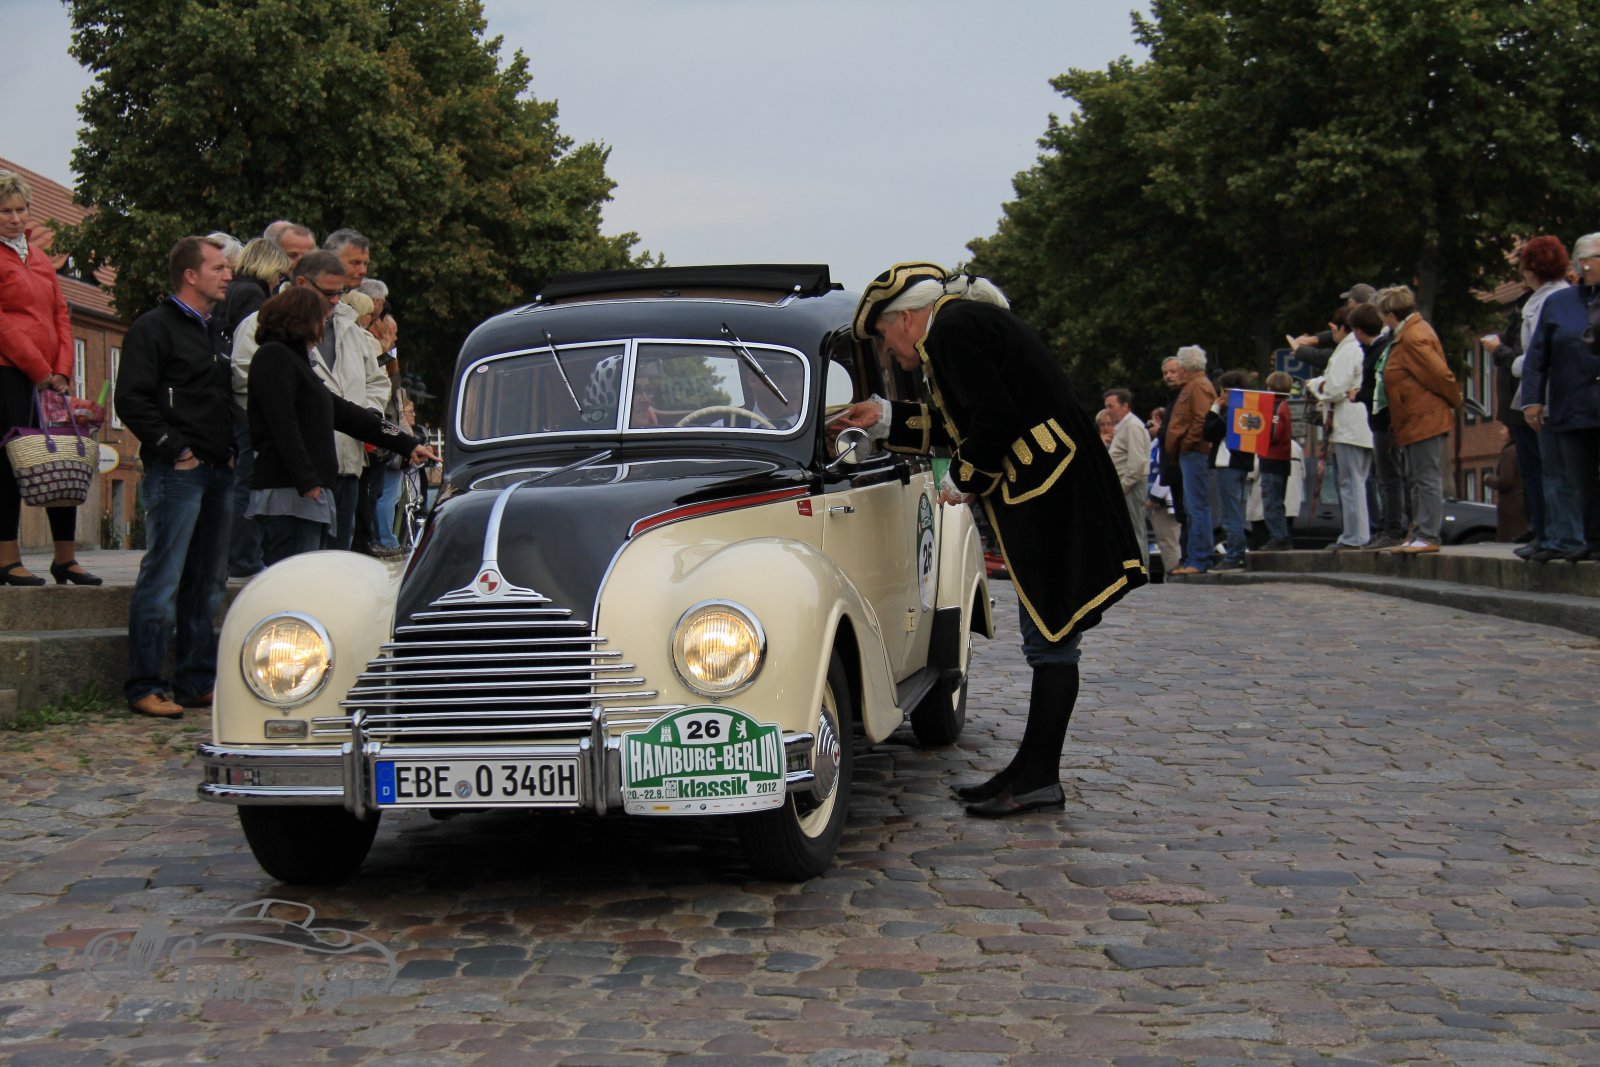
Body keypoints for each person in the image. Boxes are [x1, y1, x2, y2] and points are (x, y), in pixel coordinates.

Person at [833, 262, 1145, 819]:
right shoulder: (960, 326)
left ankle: (1039, 778)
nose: (889, 351)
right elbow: (963, 421)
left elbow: (992, 421)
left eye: (883, 335)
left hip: (1052, 496)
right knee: (1048, 639)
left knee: (1052, 641)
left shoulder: (951, 332)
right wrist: (884, 418)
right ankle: (1029, 770)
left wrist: (964, 478)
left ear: (905, 319)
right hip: (1051, 493)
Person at [115, 235, 236, 718]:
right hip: (177, 471)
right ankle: (145, 684)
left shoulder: (217, 331)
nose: (228, 274)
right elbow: (132, 399)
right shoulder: (154, 327)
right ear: (190, 274)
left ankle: (194, 679)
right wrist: (176, 450)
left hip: (218, 470)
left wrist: (229, 451)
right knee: (163, 579)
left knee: (208, 582)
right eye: (218, 267)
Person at [246, 287, 436, 563]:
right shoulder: (275, 357)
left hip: (306, 492)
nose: (325, 324)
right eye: (320, 317)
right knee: (296, 573)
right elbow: (282, 425)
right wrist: (306, 479)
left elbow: (348, 415)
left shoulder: (297, 364)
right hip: (291, 493)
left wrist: (406, 444)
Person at [0, 169, 101, 587]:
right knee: (9, 463)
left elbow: (61, 313)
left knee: (62, 458)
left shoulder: (40, 257)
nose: (15, 218)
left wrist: (62, 369)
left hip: (49, 377)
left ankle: (65, 558)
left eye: (21, 209)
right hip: (8, 372)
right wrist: (39, 369)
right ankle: (7, 558)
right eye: (5, 211)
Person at [1520, 231, 1600, 562]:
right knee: (1580, 477)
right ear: (1585, 263)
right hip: (1572, 403)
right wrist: (1532, 400)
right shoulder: (1559, 303)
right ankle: (1592, 539)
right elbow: (1538, 355)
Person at [1498, 236, 1577, 561]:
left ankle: (1559, 536)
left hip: (1546, 395)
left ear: (1532, 268)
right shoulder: (1539, 299)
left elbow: (1539, 353)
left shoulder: (1551, 300)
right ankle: (1548, 534)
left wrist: (1511, 360)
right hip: (1537, 393)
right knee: (1544, 470)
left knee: (1553, 470)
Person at [218, 238, 292, 582]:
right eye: (280, 274)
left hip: (230, 401)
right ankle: (243, 556)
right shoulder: (253, 298)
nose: (280, 282)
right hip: (247, 406)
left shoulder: (233, 290)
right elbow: (251, 353)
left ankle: (238, 554)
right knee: (249, 483)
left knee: (240, 481)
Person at [1376, 286, 1462, 554]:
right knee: (1415, 477)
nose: (1382, 321)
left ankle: (1428, 534)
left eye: (1382, 315)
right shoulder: (1406, 334)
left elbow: (1440, 375)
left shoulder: (1413, 337)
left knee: (1425, 477)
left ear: (1391, 314)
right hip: (1413, 418)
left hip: (1424, 417)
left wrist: (1455, 400)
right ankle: (1419, 532)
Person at [1307, 306, 1374, 549]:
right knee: (1358, 482)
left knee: (1350, 483)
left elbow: (1334, 388)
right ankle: (1358, 534)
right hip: (1361, 426)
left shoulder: (1347, 349)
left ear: (1337, 327)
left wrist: (1314, 385)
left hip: (1349, 426)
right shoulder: (1359, 348)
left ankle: (1355, 536)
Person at [1164, 346, 1216, 575]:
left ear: (1186, 367)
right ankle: (1195, 557)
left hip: (1194, 452)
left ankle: (1200, 558)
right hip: (1190, 452)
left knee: (1196, 506)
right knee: (1192, 506)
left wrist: (1185, 443)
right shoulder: (1196, 385)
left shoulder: (1198, 386)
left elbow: (1201, 420)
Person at [1203, 370, 1256, 569]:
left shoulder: (1231, 411)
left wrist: (1214, 409)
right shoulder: (1249, 410)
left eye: (1222, 391)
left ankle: (1235, 554)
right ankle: (1237, 552)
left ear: (1227, 391)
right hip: (1242, 464)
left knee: (1230, 513)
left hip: (1228, 464)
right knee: (1235, 510)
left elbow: (1209, 432)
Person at [1103, 388, 1151, 568]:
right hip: (1126, 484)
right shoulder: (1124, 427)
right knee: (1128, 530)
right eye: (1106, 406)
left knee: (1135, 530)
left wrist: (1122, 487)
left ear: (1125, 406)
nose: (1108, 411)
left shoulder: (1132, 426)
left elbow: (1137, 463)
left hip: (1131, 485)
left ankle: (1141, 569)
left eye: (1111, 406)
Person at [1256, 371, 1296, 550]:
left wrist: (1258, 435)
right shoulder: (1283, 405)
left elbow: (1274, 433)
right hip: (1280, 460)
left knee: (1271, 501)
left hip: (1272, 458)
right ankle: (1280, 536)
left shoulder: (1275, 407)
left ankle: (1279, 537)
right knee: (1276, 500)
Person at [1144, 406, 1182, 571]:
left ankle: (1174, 572)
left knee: (1169, 541)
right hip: (1155, 501)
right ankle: (1170, 572)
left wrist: (1154, 497)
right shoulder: (1155, 444)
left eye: (1152, 421)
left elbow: (1165, 473)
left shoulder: (1165, 445)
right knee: (1163, 541)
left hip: (1163, 502)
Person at [1484, 423, 1527, 542]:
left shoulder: (1509, 453)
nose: (1500, 432)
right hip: (1522, 504)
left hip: (1511, 507)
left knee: (1508, 541)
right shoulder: (1522, 448)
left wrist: (1487, 479)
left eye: (1503, 429)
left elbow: (1504, 482)